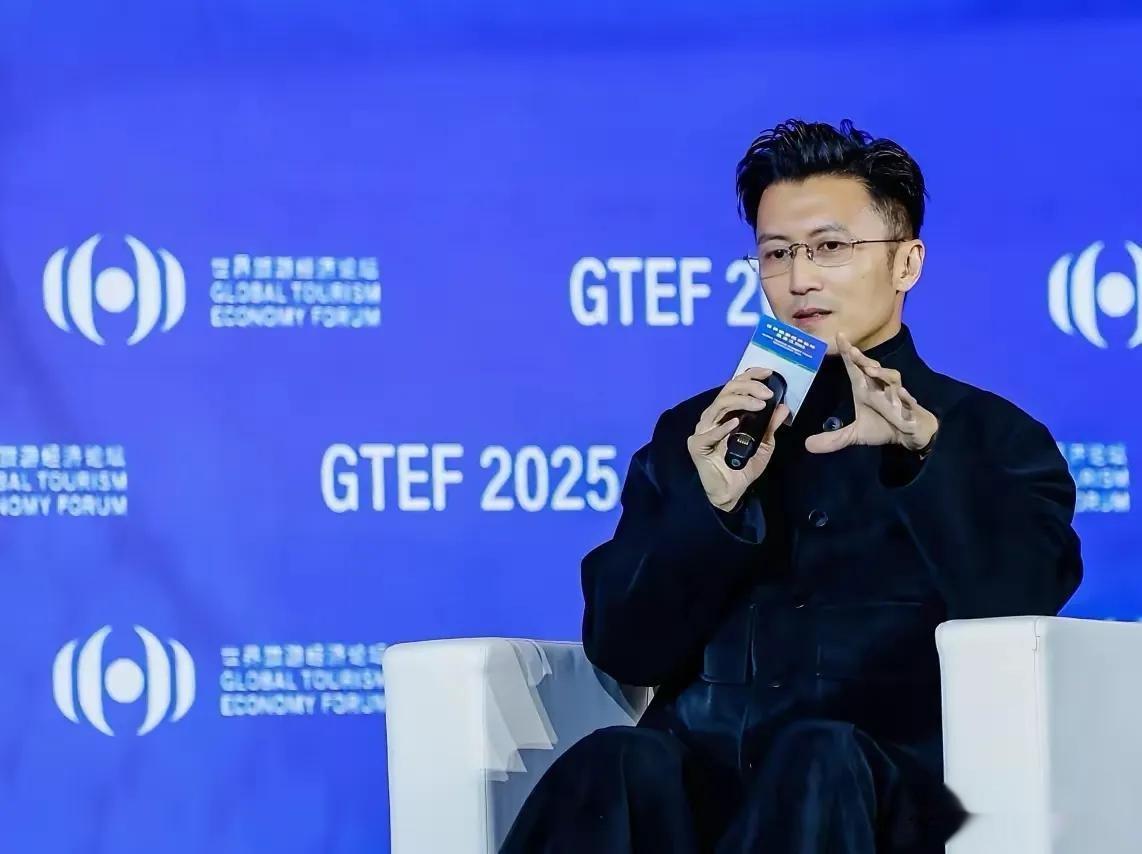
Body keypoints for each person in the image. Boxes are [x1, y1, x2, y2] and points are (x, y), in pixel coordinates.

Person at [500, 119, 1083, 853]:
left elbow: (1021, 610)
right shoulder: (702, 432)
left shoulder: (988, 435)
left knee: (818, 757)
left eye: (830, 248)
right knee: (615, 761)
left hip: (871, 797)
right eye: (778, 253)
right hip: (706, 798)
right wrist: (710, 506)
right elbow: (624, 650)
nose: (800, 278)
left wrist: (924, 458)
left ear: (906, 263)